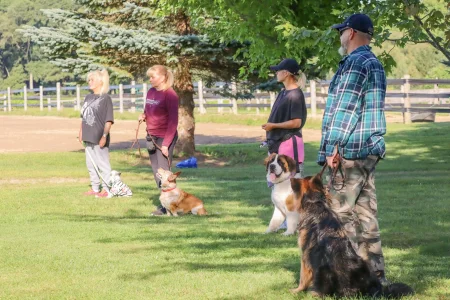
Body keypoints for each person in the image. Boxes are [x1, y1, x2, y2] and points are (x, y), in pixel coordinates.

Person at [317, 13, 388, 284]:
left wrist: (332, 147)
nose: (339, 35)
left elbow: (346, 109)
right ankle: (375, 280)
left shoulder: (355, 63)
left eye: (342, 30)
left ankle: (345, 281)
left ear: (352, 33)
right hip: (368, 150)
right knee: (366, 217)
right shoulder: (374, 62)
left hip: (350, 151)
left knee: (337, 216)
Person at [138, 65, 179, 216]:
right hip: (151, 135)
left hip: (165, 137)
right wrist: (144, 116)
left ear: (162, 77)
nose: (150, 79)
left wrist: (166, 144)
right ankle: (165, 204)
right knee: (156, 172)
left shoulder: (170, 95)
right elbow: (149, 109)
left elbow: (173, 122)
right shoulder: (151, 92)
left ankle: (170, 206)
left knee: (164, 174)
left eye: (153, 77)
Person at [262, 58, 307, 179]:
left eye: (278, 70)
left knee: (290, 185)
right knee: (275, 182)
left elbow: (297, 122)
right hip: (277, 144)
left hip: (288, 145)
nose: (276, 73)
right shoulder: (283, 92)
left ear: (286, 73)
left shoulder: (295, 95)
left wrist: (274, 126)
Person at [79, 69, 114, 198]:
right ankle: (95, 188)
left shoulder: (106, 98)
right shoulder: (88, 97)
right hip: (88, 136)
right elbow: (83, 117)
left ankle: (106, 189)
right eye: (89, 80)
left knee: (102, 163)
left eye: (92, 79)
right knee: (90, 164)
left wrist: (104, 136)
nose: (90, 82)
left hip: (99, 136)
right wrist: (81, 132)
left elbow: (108, 120)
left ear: (100, 81)